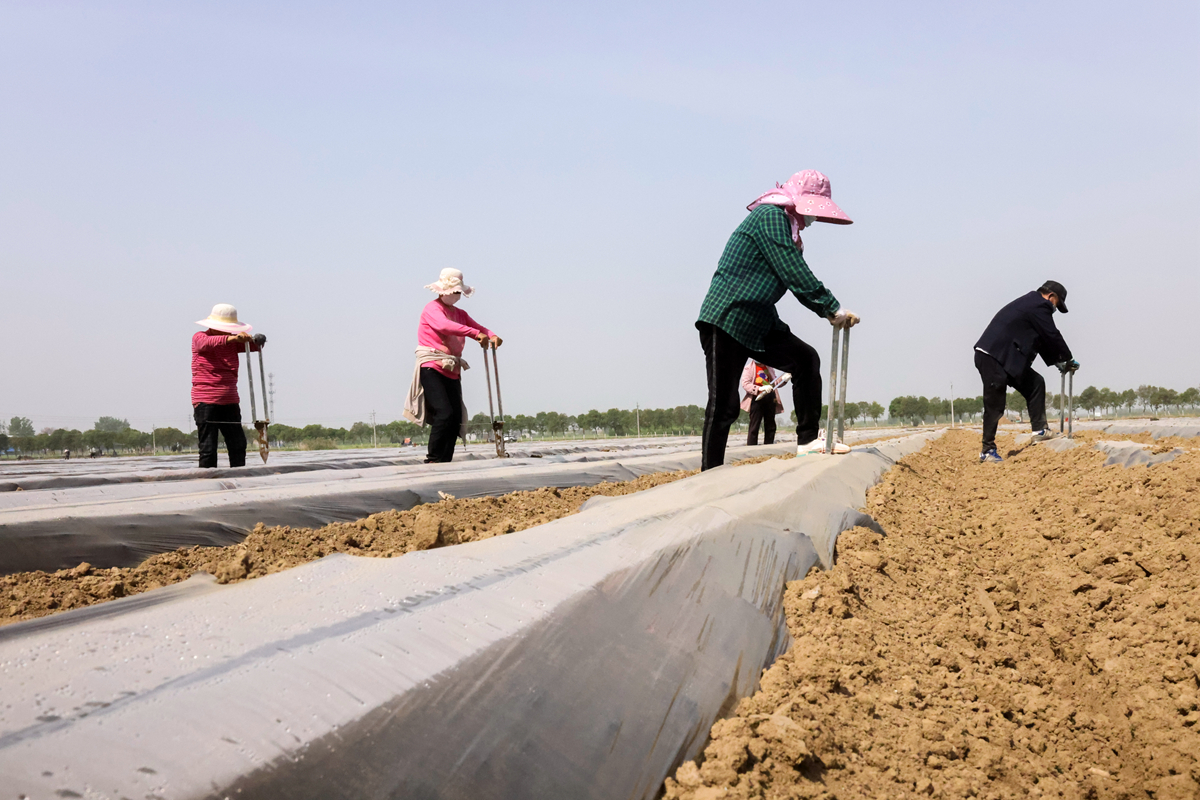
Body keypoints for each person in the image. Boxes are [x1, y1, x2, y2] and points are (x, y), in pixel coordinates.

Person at [696, 170, 860, 470]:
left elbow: (784, 277)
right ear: (797, 200)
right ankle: (710, 472)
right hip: (728, 317)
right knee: (724, 406)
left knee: (805, 359)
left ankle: (808, 440)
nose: (813, 219)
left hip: (760, 320)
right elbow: (792, 270)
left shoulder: (788, 229)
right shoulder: (770, 217)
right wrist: (831, 308)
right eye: (812, 210)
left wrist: (827, 309)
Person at [404, 269, 501, 464]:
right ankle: (433, 458)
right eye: (454, 292)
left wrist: (492, 335)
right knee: (444, 412)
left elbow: (479, 327)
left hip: (452, 369)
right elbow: (445, 326)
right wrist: (475, 334)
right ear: (443, 291)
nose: (456, 295)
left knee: (456, 417)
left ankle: (445, 460)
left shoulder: (460, 314)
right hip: (433, 365)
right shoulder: (432, 309)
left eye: (458, 292)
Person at [974, 280, 1077, 463]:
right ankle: (987, 450)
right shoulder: (1039, 305)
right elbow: (1051, 334)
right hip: (993, 356)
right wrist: (1067, 357)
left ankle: (1040, 430)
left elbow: (1041, 340)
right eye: (1057, 305)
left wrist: (1058, 360)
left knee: (1035, 383)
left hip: (1007, 357)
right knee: (995, 404)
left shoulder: (1031, 304)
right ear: (1051, 297)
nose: (1054, 309)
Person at [192, 303, 266, 469]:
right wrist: (233, 338)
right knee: (208, 448)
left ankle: (239, 477)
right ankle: (207, 480)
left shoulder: (233, 342)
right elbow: (205, 344)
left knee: (238, 444)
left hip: (230, 400)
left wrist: (258, 340)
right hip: (206, 401)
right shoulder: (200, 337)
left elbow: (253, 346)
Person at [741, 360, 783, 446]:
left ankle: (769, 444)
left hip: (770, 396)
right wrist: (759, 388)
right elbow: (745, 384)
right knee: (755, 424)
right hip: (757, 397)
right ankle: (751, 446)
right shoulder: (749, 368)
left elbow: (775, 382)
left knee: (770, 424)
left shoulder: (769, 366)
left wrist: (784, 379)